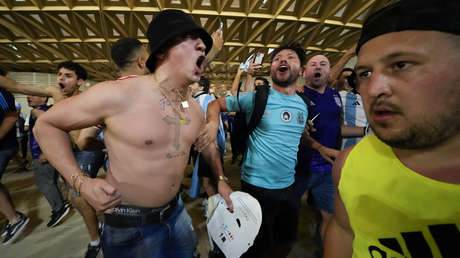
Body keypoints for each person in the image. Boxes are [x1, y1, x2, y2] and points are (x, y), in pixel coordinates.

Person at [33, 9, 233, 258]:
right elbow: (45, 126)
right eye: (192, 40)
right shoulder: (118, 94)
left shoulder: (192, 109)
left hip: (177, 214)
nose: (203, 46)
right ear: (162, 51)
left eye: (203, 43)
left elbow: (208, 146)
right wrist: (80, 182)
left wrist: (222, 181)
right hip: (129, 226)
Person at [324, 0, 460, 257]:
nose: (374, 89)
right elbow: (344, 231)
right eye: (364, 73)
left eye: (401, 65)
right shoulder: (350, 164)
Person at [205, 41, 309, 258]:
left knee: (286, 240)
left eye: (291, 57)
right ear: (271, 69)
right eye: (278, 58)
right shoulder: (258, 97)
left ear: (301, 69)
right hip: (256, 187)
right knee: (255, 246)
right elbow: (215, 105)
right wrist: (213, 124)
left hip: (289, 186)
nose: (282, 60)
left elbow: (296, 137)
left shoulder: (303, 105)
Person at [295, 49, 365, 241]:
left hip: (328, 168)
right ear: (304, 72)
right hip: (299, 168)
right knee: (286, 216)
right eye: (313, 64)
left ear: (329, 73)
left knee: (332, 217)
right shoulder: (296, 95)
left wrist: (366, 131)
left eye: (323, 64)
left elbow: (338, 128)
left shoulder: (335, 96)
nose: (318, 67)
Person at [27, 95, 71, 228]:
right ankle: (62, 203)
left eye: (33, 94)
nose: (28, 97)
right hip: (45, 152)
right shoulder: (41, 110)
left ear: (44, 98)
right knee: (52, 181)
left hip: (43, 153)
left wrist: (46, 152)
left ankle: (58, 209)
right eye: (27, 94)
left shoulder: (41, 112)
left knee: (43, 182)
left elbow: (57, 130)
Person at [0, 87, 29, 245]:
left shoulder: (1, 92)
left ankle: (14, 219)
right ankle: (11, 216)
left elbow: (11, 117)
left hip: (4, 146)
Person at [336, 68, 370, 149]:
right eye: (346, 77)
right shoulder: (337, 96)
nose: (351, 81)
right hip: (346, 150)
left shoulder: (366, 98)